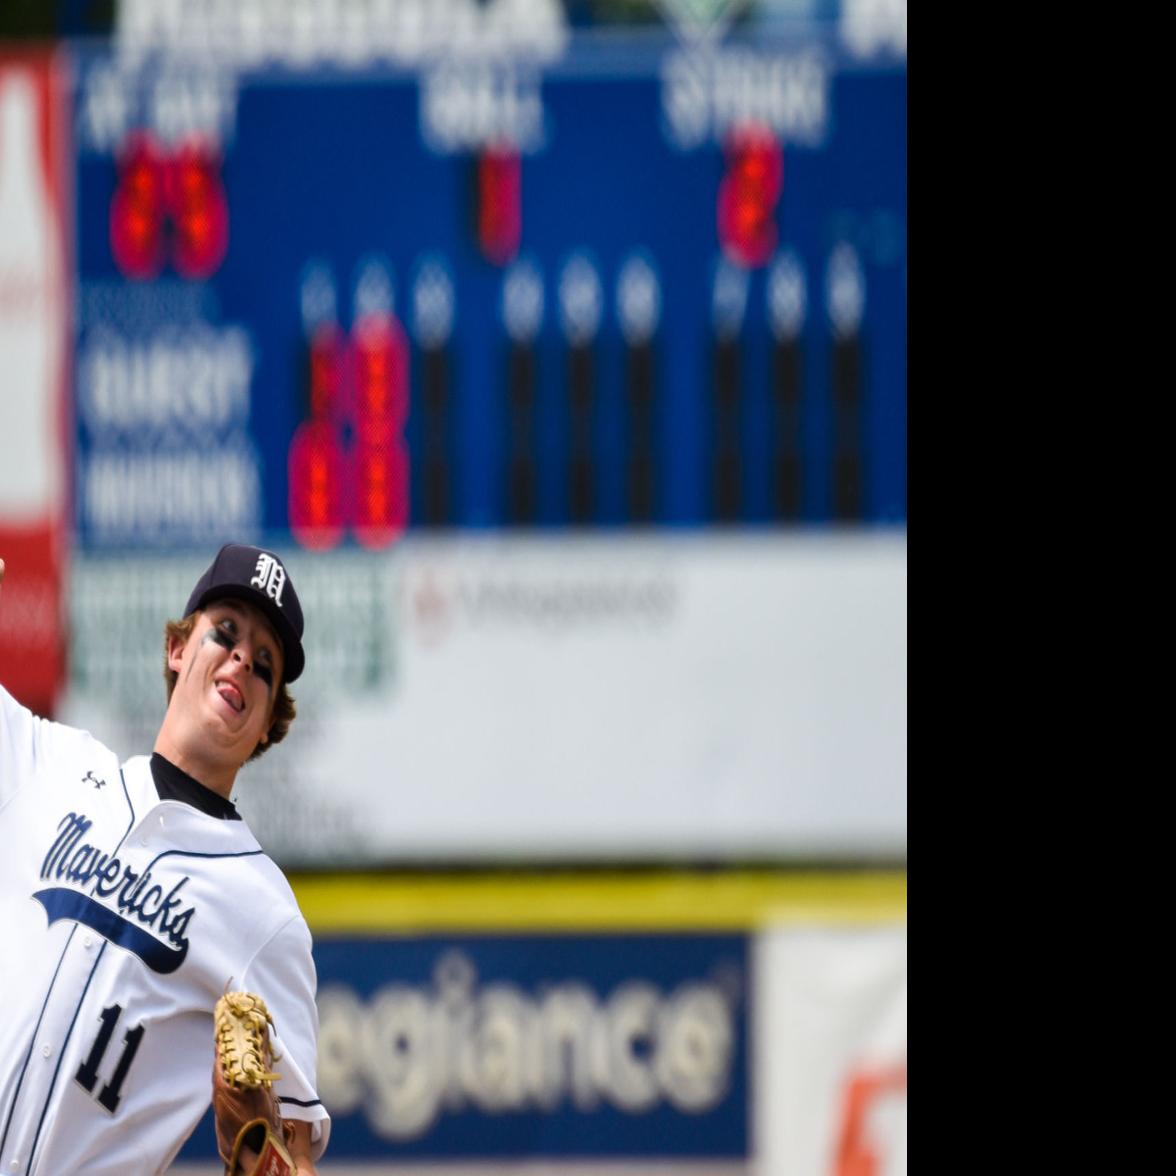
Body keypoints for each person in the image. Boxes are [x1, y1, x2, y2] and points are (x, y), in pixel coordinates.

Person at [0, 544, 329, 1175]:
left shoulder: (266, 917)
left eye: (264, 664)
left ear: (268, 724)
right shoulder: (51, 766)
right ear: (178, 650)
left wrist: (269, 1157)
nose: (241, 659)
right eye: (225, 633)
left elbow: (294, 1151)